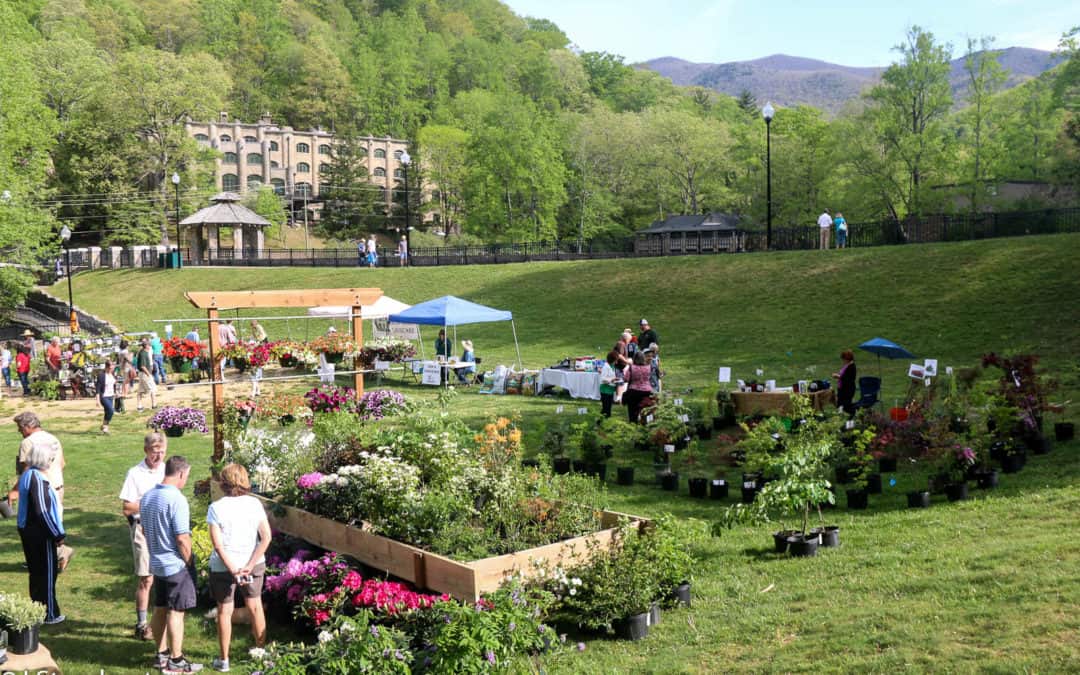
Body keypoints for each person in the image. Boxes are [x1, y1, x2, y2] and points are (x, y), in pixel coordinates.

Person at [140, 455, 202, 674]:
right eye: (187, 476)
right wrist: (190, 562)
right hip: (175, 565)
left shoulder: (147, 496)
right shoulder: (177, 499)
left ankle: (161, 654)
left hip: (156, 563)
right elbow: (182, 538)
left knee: (159, 609)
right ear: (182, 473)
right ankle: (176, 661)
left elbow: (145, 531)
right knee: (176, 612)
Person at [207, 464, 271, 673]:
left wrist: (233, 568)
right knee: (255, 607)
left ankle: (224, 660)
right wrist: (249, 565)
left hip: (223, 566)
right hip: (252, 564)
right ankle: (260, 659)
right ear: (244, 480)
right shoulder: (255, 504)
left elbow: (218, 545)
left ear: (223, 483)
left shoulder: (216, 507)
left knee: (225, 611)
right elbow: (266, 538)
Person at [120, 433, 167, 641]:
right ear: (146, 451)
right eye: (154, 453)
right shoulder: (135, 473)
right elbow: (127, 508)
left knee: (166, 576)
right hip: (143, 528)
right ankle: (141, 624)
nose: (158, 457)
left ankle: (164, 619)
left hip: (165, 528)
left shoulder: (168, 470)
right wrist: (152, 502)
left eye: (162, 452)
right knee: (146, 578)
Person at [17, 439, 67, 625]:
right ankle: (50, 614)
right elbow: (43, 512)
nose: (53, 460)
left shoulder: (28, 474)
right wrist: (58, 535)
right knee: (46, 573)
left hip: (28, 530)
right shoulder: (38, 479)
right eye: (51, 458)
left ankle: (36, 610)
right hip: (39, 534)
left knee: (36, 573)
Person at [624, 352, 654, 424]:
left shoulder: (631, 367)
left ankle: (633, 425)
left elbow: (626, 379)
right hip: (647, 391)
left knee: (632, 411)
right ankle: (645, 424)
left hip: (634, 391)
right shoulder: (649, 367)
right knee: (646, 411)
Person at [833, 350, 858, 416]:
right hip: (842, 389)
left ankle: (854, 413)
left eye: (843, 359)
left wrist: (837, 376)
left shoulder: (851, 367)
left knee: (846, 406)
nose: (843, 360)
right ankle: (841, 415)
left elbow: (847, 379)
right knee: (840, 404)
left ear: (847, 359)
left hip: (847, 390)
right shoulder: (847, 365)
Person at [136, 338, 157, 412]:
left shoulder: (143, 352)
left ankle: (139, 406)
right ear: (146, 346)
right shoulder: (143, 354)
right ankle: (154, 405)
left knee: (140, 391)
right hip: (145, 374)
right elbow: (142, 366)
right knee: (153, 389)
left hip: (142, 374)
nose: (150, 346)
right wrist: (149, 374)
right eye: (149, 345)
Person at [96, 360, 117, 434]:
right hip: (104, 396)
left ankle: (105, 427)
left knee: (107, 412)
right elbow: (98, 389)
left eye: (113, 368)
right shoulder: (101, 375)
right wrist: (97, 401)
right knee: (111, 410)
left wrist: (116, 393)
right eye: (111, 368)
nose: (112, 369)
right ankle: (105, 426)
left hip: (111, 396)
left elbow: (114, 384)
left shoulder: (113, 374)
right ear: (107, 367)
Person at [598, 351, 620, 418]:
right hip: (605, 390)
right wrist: (612, 380)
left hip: (610, 390)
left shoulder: (612, 366)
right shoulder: (606, 367)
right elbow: (603, 379)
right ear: (612, 360)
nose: (617, 362)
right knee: (606, 410)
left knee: (608, 410)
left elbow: (610, 377)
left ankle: (602, 423)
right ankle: (600, 423)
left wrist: (615, 379)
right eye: (616, 360)